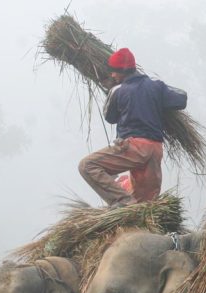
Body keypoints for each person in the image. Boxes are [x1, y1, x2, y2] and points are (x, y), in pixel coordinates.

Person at [78, 48, 187, 208]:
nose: (113, 75)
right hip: (155, 151)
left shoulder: (118, 90)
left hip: (134, 149)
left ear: (122, 71)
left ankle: (122, 200)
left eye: (114, 72)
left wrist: (111, 92)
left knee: (87, 166)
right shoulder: (156, 86)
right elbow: (181, 99)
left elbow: (110, 117)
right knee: (144, 206)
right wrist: (156, 90)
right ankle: (132, 206)